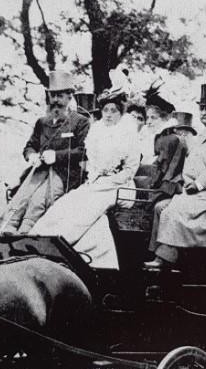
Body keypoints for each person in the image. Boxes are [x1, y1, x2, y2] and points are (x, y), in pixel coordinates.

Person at [30, 89, 140, 268]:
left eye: (114, 111)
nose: (109, 115)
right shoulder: (97, 131)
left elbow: (130, 170)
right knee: (67, 203)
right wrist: (96, 178)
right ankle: (43, 240)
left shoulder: (129, 133)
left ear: (121, 113)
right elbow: (92, 163)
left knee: (87, 209)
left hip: (120, 186)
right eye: (106, 110)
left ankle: (63, 243)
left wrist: (106, 181)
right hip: (96, 183)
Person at [145, 84, 206, 271]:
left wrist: (198, 183)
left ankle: (165, 258)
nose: (203, 112)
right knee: (160, 207)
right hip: (197, 191)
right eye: (201, 108)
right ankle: (161, 256)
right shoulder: (203, 134)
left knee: (173, 209)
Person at [4, 71, 90, 235]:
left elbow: (84, 151)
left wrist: (56, 156)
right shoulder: (42, 122)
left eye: (61, 96)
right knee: (22, 195)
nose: (56, 100)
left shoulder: (80, 121)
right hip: (39, 170)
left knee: (39, 200)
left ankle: (25, 232)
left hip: (66, 174)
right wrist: (32, 156)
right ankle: (8, 227)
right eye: (53, 96)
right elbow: (29, 146)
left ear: (69, 97)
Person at [148, 111, 194, 201]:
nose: (183, 135)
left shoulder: (180, 144)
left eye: (186, 133)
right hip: (169, 185)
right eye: (180, 132)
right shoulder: (173, 142)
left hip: (174, 187)